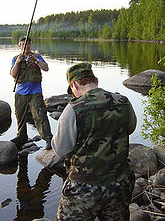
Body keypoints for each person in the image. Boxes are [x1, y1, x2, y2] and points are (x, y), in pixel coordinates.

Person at [51, 62, 137, 221]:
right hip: (120, 183)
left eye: (72, 90)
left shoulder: (73, 108)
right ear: (95, 80)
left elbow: (61, 150)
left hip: (84, 186)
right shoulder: (123, 101)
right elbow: (130, 128)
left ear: (74, 85)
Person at [10, 36, 53, 150]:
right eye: (23, 44)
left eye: (28, 44)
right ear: (19, 46)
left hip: (35, 92)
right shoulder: (15, 58)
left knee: (40, 115)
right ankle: (22, 136)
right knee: (20, 116)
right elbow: (13, 74)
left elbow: (46, 68)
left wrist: (36, 61)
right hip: (20, 93)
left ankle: (48, 139)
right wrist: (18, 63)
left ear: (31, 45)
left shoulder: (37, 56)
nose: (26, 46)